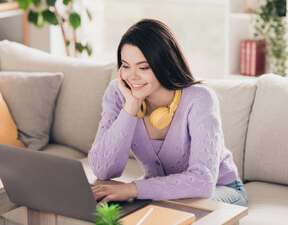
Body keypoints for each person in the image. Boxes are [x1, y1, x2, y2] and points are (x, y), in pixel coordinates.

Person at [88, 19, 247, 206]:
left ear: (164, 64)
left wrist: (133, 188)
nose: (132, 76)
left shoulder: (200, 99)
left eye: (143, 67)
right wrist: (130, 107)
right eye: (125, 65)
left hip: (220, 188)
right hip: (164, 187)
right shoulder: (118, 93)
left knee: (173, 211)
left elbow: (203, 182)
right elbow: (103, 170)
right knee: (109, 208)